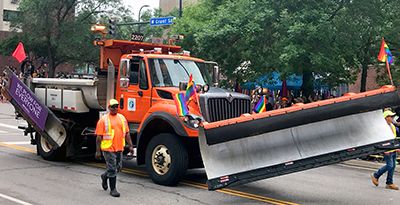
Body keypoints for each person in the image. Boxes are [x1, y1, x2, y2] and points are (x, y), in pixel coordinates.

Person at [95, 99, 134, 197]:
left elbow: (127, 133)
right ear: (109, 108)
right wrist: (97, 151)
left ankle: (105, 176)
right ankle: (113, 189)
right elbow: (99, 136)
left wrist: (130, 146)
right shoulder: (103, 119)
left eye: (116, 106)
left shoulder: (122, 118)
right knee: (112, 168)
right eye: (112, 106)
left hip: (119, 147)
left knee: (118, 167)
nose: (115, 108)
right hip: (108, 148)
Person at [371, 110, 400, 190]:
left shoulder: (392, 126)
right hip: (387, 149)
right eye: (391, 116)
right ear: (386, 118)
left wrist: (397, 148)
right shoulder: (382, 127)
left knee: (392, 166)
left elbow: (394, 138)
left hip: (392, 149)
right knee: (390, 165)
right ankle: (376, 175)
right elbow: (380, 139)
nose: (393, 118)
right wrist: (384, 149)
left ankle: (389, 183)